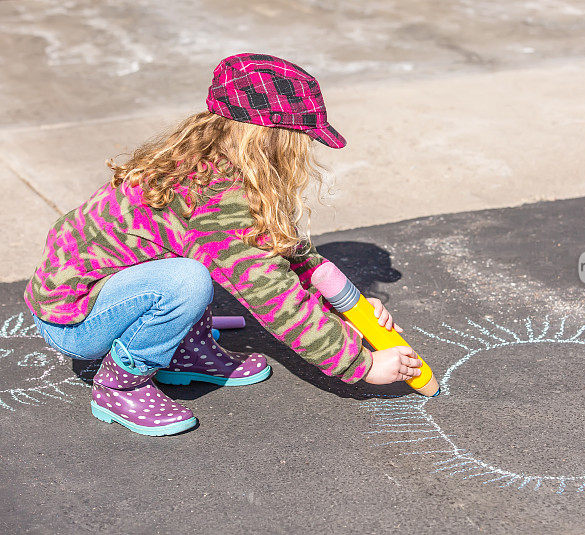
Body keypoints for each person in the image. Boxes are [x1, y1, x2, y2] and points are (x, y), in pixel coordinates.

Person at [23, 53, 422, 436]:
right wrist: (360, 364)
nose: (306, 151)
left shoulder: (212, 159)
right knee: (187, 280)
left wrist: (350, 309)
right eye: (302, 138)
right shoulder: (215, 197)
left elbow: (283, 251)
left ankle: (183, 351)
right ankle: (121, 384)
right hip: (76, 321)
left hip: (97, 294)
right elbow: (273, 294)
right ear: (272, 139)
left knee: (193, 267)